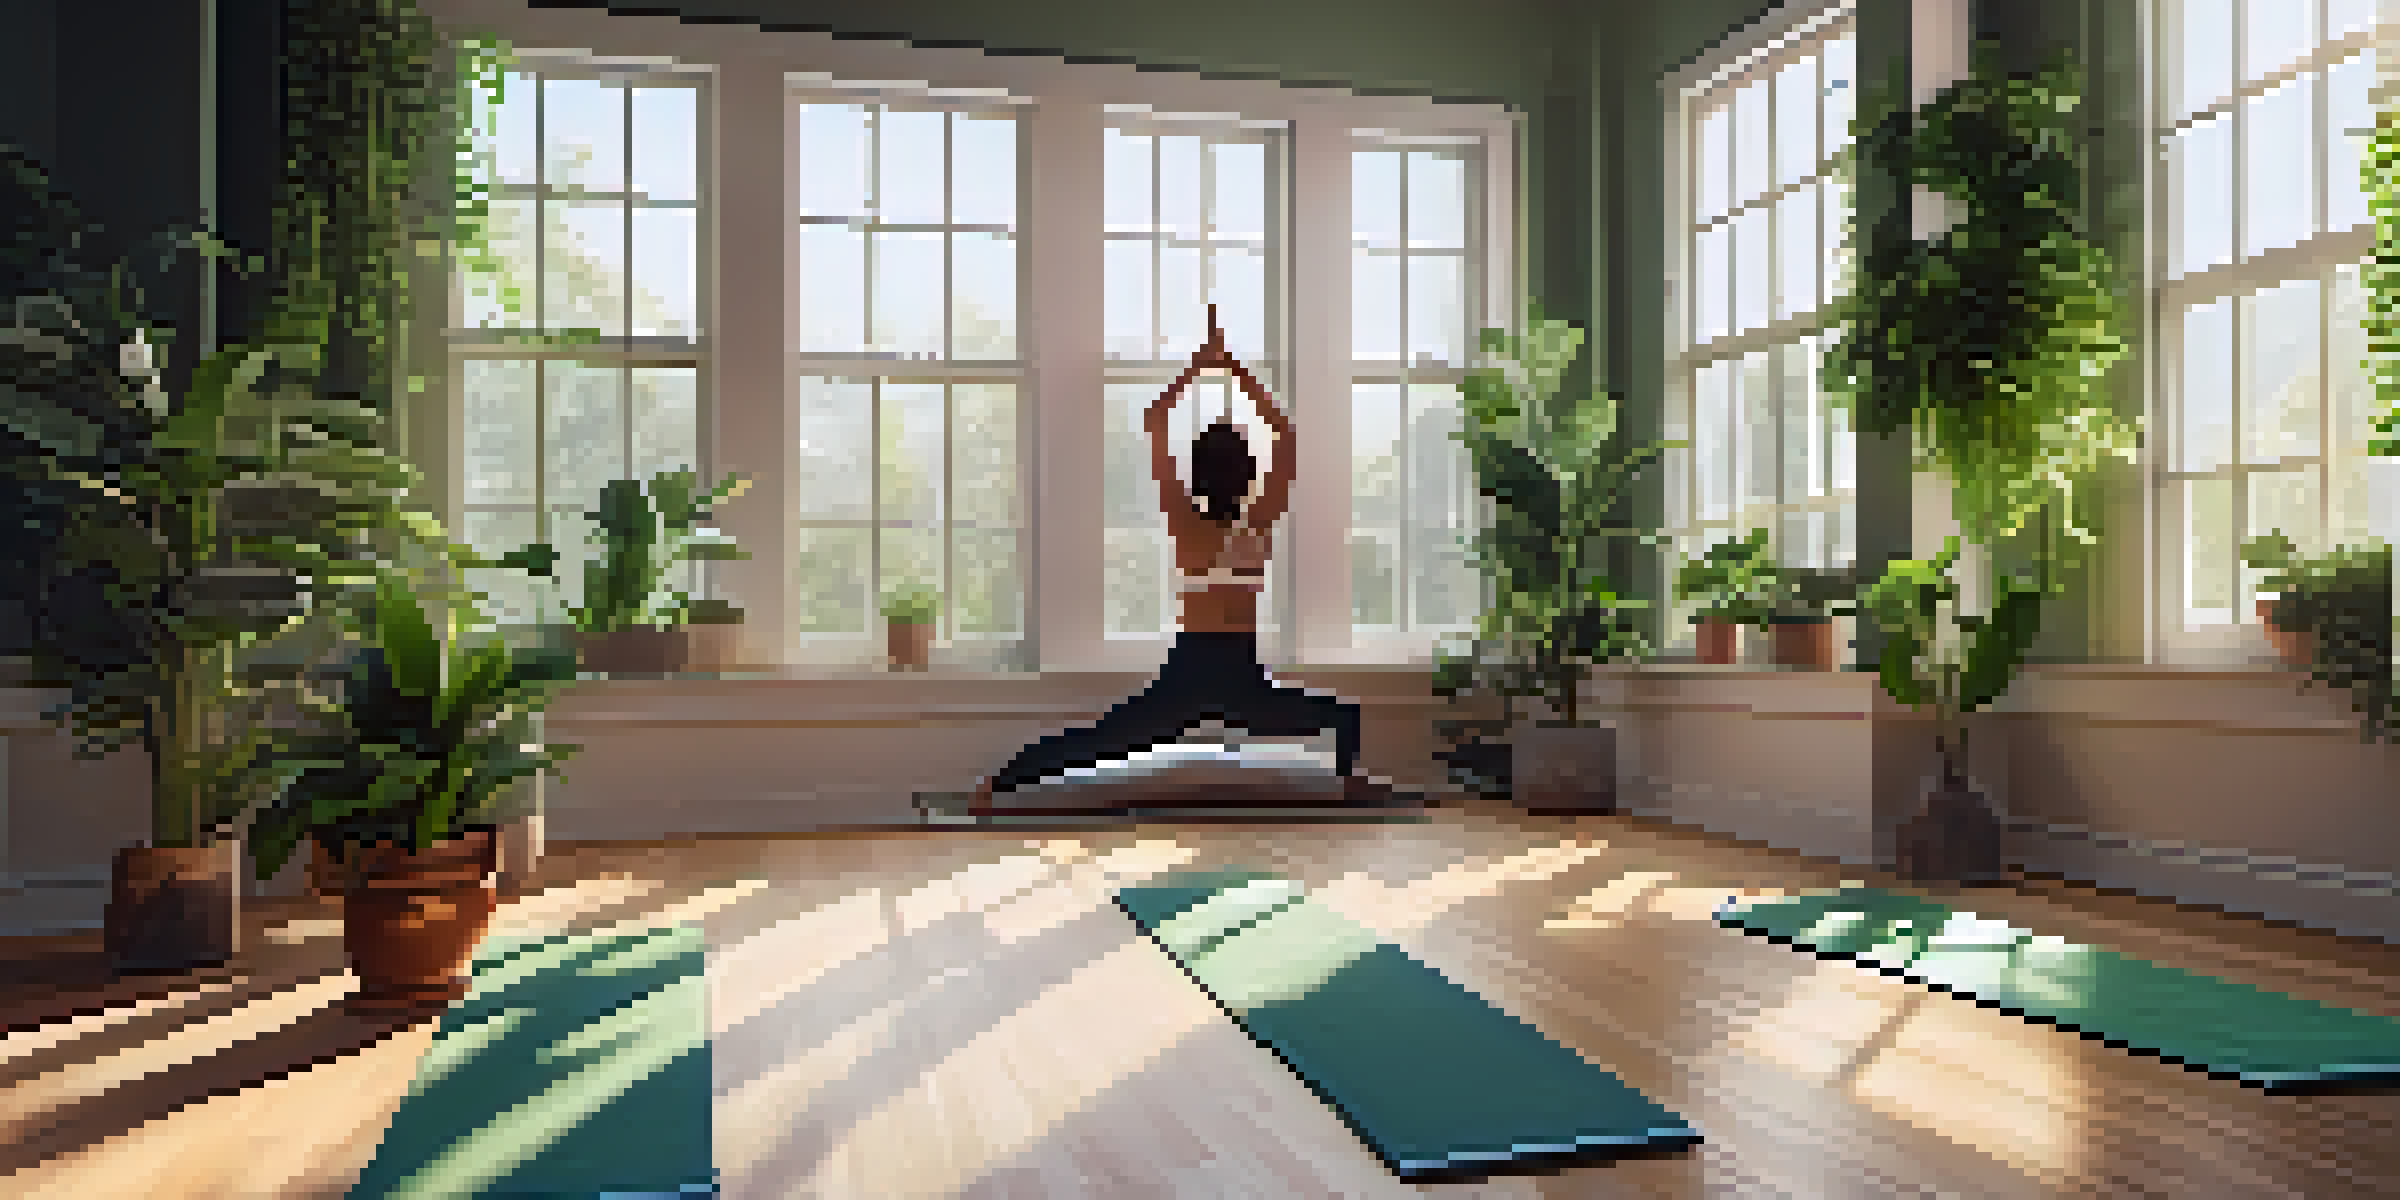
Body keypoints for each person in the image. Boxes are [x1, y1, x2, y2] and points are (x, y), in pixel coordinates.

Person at [967, 307, 1383, 811]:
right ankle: (996, 785)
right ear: (1248, 475)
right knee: (1342, 716)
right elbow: (1285, 436)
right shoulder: (1255, 522)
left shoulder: (1192, 520)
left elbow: (1157, 422)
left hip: (1221, 672)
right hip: (1218, 670)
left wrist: (1201, 368)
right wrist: (1232, 369)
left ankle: (995, 786)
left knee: (1101, 740)